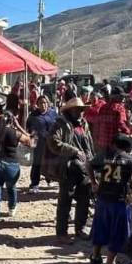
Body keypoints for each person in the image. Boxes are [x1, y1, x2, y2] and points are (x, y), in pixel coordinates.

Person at [91, 134, 132, 264]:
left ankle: (95, 257)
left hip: (102, 200)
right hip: (119, 201)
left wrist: (94, 183)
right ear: (127, 147)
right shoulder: (131, 160)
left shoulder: (103, 156)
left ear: (115, 144)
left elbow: (89, 164)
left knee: (100, 228)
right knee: (118, 232)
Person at [49, 97, 96, 242]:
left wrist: (92, 160)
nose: (81, 113)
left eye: (82, 110)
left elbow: (89, 144)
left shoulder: (84, 124)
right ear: (70, 111)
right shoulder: (60, 124)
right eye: (78, 110)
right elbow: (53, 142)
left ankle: (80, 228)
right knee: (65, 200)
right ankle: (61, 233)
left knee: (84, 199)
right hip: (68, 168)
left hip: (84, 168)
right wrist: (74, 151)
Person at [0, 112, 32, 231]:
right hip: (11, 166)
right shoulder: (14, 132)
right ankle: (12, 208)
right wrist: (19, 126)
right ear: (11, 121)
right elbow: (30, 141)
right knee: (11, 185)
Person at [26, 95, 58, 193]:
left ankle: (49, 179)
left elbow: (58, 125)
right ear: (37, 104)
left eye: (45, 102)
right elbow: (29, 128)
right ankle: (34, 184)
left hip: (51, 141)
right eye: (41, 103)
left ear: (48, 103)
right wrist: (33, 140)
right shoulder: (33, 115)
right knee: (37, 163)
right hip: (39, 142)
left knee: (51, 161)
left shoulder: (53, 113)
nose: (43, 105)